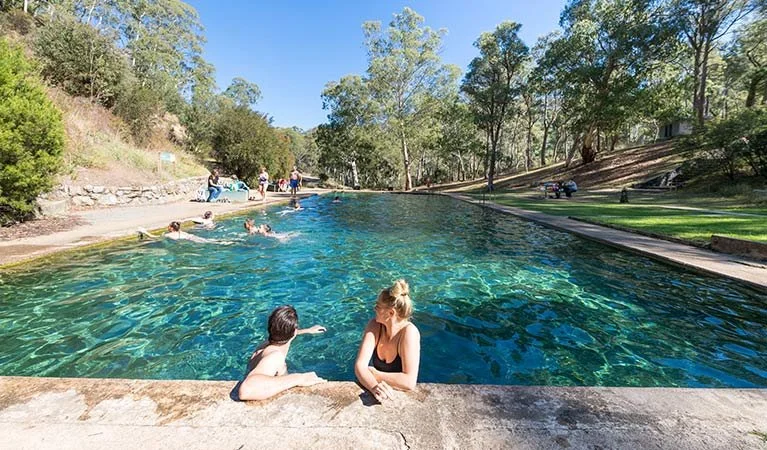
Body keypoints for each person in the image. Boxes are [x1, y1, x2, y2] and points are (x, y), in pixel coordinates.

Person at [238, 305, 327, 401]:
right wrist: (299, 378)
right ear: (293, 333)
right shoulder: (275, 357)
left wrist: (308, 330)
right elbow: (246, 391)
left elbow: (285, 333)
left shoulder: (264, 345)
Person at [354, 279, 421, 403]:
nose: (374, 308)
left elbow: (409, 381)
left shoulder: (409, 333)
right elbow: (359, 366)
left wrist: (375, 374)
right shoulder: (374, 326)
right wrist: (374, 387)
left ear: (390, 313)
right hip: (382, 392)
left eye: (378, 306)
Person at [138, 221, 215, 243]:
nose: (167, 227)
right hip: (190, 237)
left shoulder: (168, 235)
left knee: (208, 242)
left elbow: (154, 237)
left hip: (189, 239)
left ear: (171, 228)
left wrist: (144, 231)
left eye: (169, 226)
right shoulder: (181, 232)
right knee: (209, 241)